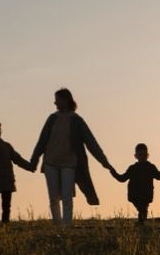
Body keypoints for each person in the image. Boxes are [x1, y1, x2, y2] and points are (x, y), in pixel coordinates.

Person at [29, 88, 115, 225]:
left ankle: (66, 226)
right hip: (50, 163)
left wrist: (104, 162)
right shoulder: (52, 119)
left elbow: (91, 142)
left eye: (57, 99)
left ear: (66, 100)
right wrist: (34, 161)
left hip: (69, 164)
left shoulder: (77, 121)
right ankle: (58, 226)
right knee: (53, 197)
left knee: (67, 196)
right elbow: (42, 141)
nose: (55, 102)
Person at [0, 120, 33, 223]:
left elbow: (17, 159)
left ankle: (5, 225)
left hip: (7, 180)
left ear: (1, 131)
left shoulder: (6, 146)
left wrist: (30, 167)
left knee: (6, 207)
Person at [110, 143, 160, 224]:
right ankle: (142, 220)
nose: (142, 157)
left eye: (144, 155)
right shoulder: (133, 168)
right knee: (142, 209)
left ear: (147, 155)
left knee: (143, 208)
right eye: (140, 155)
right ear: (136, 156)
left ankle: (141, 222)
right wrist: (112, 171)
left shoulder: (150, 167)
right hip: (135, 195)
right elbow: (122, 178)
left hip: (146, 194)